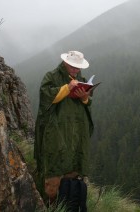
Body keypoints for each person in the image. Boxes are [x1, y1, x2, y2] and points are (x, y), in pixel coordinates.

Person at [34, 50, 94, 205]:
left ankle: (69, 203)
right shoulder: (52, 76)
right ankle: (50, 203)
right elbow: (46, 97)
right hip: (56, 130)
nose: (75, 70)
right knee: (54, 165)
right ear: (65, 63)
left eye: (78, 67)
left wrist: (85, 97)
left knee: (74, 166)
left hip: (76, 131)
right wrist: (67, 88)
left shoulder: (81, 79)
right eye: (73, 66)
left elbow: (88, 104)